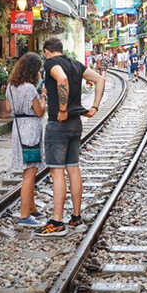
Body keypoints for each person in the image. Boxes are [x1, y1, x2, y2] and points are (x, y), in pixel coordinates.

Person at [36, 37, 106, 237]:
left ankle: (57, 221)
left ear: (47, 51)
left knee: (57, 172)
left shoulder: (51, 64)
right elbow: (100, 79)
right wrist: (95, 106)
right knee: (73, 168)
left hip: (59, 123)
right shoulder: (76, 64)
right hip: (76, 124)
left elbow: (62, 79)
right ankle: (76, 216)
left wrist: (63, 108)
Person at [6, 52, 46, 227]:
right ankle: (24, 216)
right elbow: (40, 111)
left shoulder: (10, 86)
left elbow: (8, 108)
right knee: (30, 173)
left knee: (27, 170)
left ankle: (31, 207)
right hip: (30, 130)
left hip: (18, 129)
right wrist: (43, 97)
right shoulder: (29, 88)